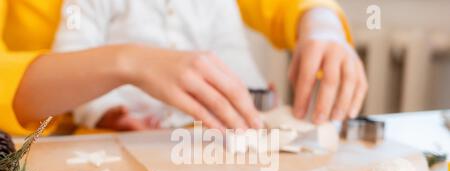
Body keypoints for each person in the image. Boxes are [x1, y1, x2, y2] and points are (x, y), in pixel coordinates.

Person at [0, 0, 367, 136]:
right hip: (112, 139)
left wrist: (251, 96)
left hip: (198, 139)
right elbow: (74, 52)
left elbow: (229, 50)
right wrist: (103, 113)